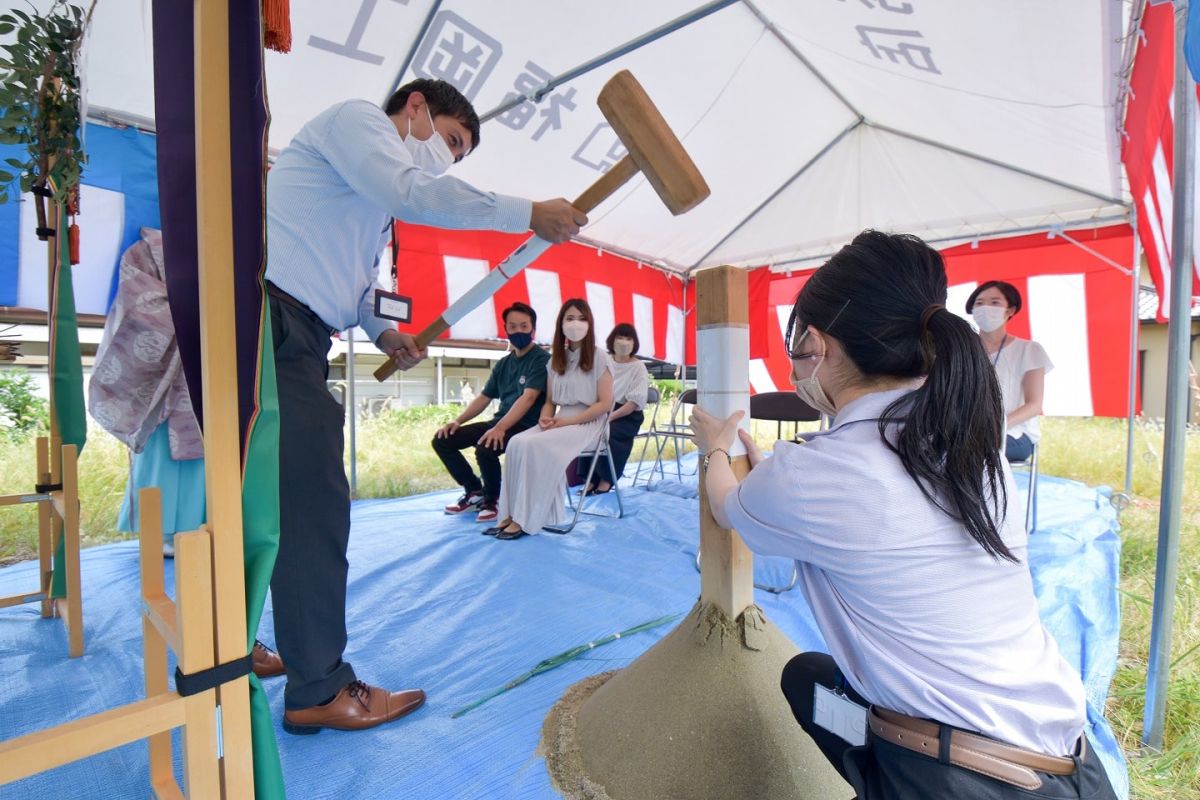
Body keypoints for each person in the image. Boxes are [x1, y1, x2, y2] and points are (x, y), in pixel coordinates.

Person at [689, 231, 1117, 800]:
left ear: (815, 343)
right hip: (1071, 762)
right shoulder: (970, 443)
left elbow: (726, 504)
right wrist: (775, 474)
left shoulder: (824, 473)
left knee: (815, 687)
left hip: (959, 780)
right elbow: (846, 498)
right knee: (807, 677)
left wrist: (718, 446)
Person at [264, 77, 587, 734]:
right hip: (271, 319)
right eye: (452, 141)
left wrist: (386, 332)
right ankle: (318, 686)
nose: (450, 158)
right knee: (311, 501)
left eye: (461, 155)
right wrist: (527, 212)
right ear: (415, 107)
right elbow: (413, 192)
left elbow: (355, 289)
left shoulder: (367, 202)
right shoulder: (359, 123)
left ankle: (240, 639)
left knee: (262, 497)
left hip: (298, 333)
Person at [91, 228, 284, 680]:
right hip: (171, 409)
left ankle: (236, 635)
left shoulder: (250, 246)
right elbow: (141, 312)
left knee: (229, 532)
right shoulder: (151, 248)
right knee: (184, 531)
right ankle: (199, 640)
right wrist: (211, 313)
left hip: (227, 402)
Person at [490, 299, 614, 540]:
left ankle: (525, 518)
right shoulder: (554, 359)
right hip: (559, 419)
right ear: (561, 324)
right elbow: (549, 401)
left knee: (534, 444)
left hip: (590, 423)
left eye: (581, 318)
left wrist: (566, 422)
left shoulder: (600, 357)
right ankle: (508, 513)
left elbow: (604, 404)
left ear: (589, 323)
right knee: (517, 442)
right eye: (569, 318)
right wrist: (546, 420)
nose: (575, 324)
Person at [432, 302, 549, 523]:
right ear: (505, 328)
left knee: (487, 447)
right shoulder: (504, 363)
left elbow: (529, 398)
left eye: (524, 326)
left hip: (527, 425)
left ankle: (492, 500)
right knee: (442, 440)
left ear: (533, 329)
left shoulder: (541, 360)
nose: (519, 332)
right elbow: (485, 397)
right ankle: (475, 492)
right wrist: (457, 421)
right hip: (500, 422)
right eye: (513, 327)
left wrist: (500, 428)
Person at [966, 280, 1053, 463]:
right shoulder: (962, 351)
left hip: (1013, 433)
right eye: (979, 303)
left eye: (995, 302)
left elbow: (1034, 405)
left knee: (967, 451)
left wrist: (996, 426)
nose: (986, 308)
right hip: (968, 430)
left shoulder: (1029, 350)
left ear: (1010, 310)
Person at [583, 322, 649, 495]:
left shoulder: (638, 367)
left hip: (626, 415)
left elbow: (633, 403)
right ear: (612, 340)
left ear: (634, 343)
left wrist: (609, 417)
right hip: (602, 407)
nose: (624, 342)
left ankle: (607, 479)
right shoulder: (603, 362)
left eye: (628, 338)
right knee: (585, 430)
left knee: (607, 432)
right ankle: (590, 478)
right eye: (620, 337)